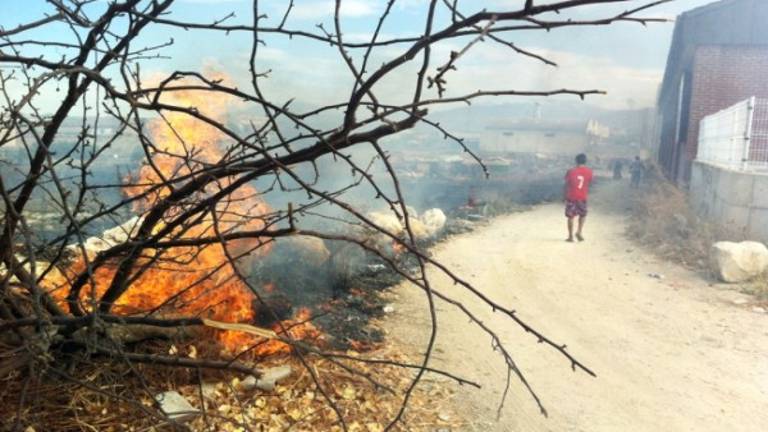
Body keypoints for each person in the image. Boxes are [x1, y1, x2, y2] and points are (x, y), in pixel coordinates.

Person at [564, 153, 593, 242]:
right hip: (582, 196)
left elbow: (566, 184)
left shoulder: (571, 171)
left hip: (571, 196)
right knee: (583, 214)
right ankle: (579, 232)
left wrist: (564, 195)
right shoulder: (589, 172)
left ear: (576, 161)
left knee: (570, 216)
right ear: (585, 161)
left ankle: (570, 236)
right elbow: (589, 182)